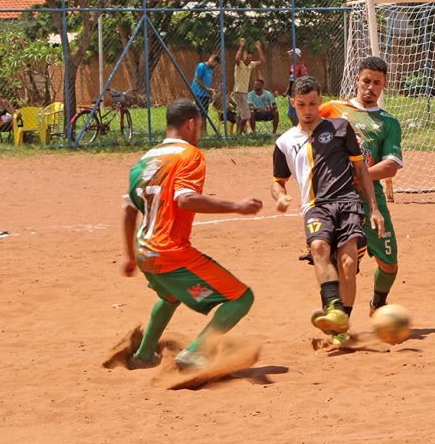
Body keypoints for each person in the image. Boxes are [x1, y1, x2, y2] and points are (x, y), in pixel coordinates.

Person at [121, 98, 263, 370]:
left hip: (144, 251)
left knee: (170, 296)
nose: (200, 132)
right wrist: (237, 206)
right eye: (199, 126)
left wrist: (130, 256)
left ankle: (144, 355)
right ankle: (196, 353)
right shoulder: (190, 156)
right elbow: (185, 199)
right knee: (242, 297)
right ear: (190, 124)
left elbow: (129, 212)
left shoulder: (144, 161)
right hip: (169, 252)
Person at [271, 76, 384, 345]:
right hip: (315, 207)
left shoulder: (340, 128)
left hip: (347, 203)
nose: (308, 111)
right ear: (292, 104)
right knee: (319, 248)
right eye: (301, 105)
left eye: (312, 104)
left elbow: (361, 170)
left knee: (348, 263)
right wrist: (281, 196)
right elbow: (277, 181)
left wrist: (374, 208)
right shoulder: (284, 142)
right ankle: (333, 309)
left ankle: (341, 325)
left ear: (319, 101)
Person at [319, 56, 403, 315]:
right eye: (366, 80)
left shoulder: (388, 123)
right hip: (337, 198)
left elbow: (391, 165)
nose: (371, 87)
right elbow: (305, 128)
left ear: (384, 85)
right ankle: (338, 317)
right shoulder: (333, 109)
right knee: (343, 262)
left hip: (370, 199)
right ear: (357, 79)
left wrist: (359, 175)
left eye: (377, 83)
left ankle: (378, 303)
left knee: (389, 265)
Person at [232, 38, 265, 134]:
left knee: (239, 114)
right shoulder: (239, 64)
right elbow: (236, 59)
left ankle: (237, 134)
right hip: (238, 91)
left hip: (244, 92)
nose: (248, 59)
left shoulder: (251, 64)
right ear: (243, 57)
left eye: (250, 57)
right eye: (246, 57)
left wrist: (259, 48)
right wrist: (241, 46)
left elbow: (262, 61)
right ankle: (241, 132)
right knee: (246, 116)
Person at [284, 48, 308, 125]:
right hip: (291, 91)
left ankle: (300, 127)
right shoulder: (292, 66)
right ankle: (297, 127)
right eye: (290, 54)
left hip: (297, 91)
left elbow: (304, 78)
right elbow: (290, 80)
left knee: (293, 112)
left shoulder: (301, 66)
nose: (290, 56)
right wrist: (287, 90)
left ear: (297, 56)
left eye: (292, 54)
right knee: (291, 113)